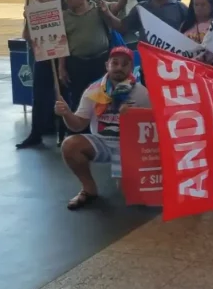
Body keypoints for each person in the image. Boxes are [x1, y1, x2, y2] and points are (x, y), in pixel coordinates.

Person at [55, 46, 150, 210]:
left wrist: (135, 115)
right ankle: (89, 190)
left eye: (125, 64)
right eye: (115, 63)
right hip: (102, 143)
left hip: (130, 147)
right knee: (70, 145)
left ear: (131, 67)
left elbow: (155, 126)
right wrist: (66, 114)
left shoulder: (141, 93)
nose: (119, 67)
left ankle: (138, 179)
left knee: (131, 197)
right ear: (107, 65)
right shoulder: (94, 91)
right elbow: (78, 125)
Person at [57, 0, 127, 144]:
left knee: (102, 96)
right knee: (78, 97)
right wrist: (61, 67)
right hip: (76, 63)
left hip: (100, 61)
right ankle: (77, 132)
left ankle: (101, 132)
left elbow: (119, 6)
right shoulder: (64, 16)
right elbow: (62, 43)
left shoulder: (99, 8)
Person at [16, 0, 71, 148]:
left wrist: (61, 66)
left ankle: (63, 132)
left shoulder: (64, 16)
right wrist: (28, 20)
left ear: (55, 1)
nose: (38, 0)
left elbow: (63, 41)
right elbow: (26, 37)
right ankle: (36, 133)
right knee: (39, 98)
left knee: (63, 97)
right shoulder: (37, 15)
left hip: (62, 60)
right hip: (42, 59)